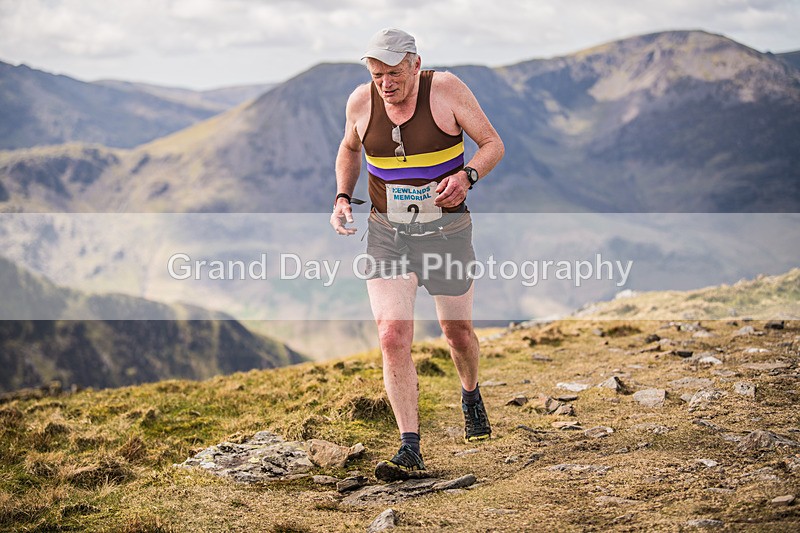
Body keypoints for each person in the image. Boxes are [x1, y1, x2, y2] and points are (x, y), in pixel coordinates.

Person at [330, 28, 504, 481]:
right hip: (388, 232)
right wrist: (342, 196)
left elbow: (492, 145)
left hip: (447, 231)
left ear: (414, 64)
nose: (385, 83)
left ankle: (470, 394)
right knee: (391, 335)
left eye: (393, 73)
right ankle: (410, 447)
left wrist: (467, 176)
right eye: (376, 74)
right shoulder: (360, 102)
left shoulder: (444, 90)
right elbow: (349, 149)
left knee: (457, 332)